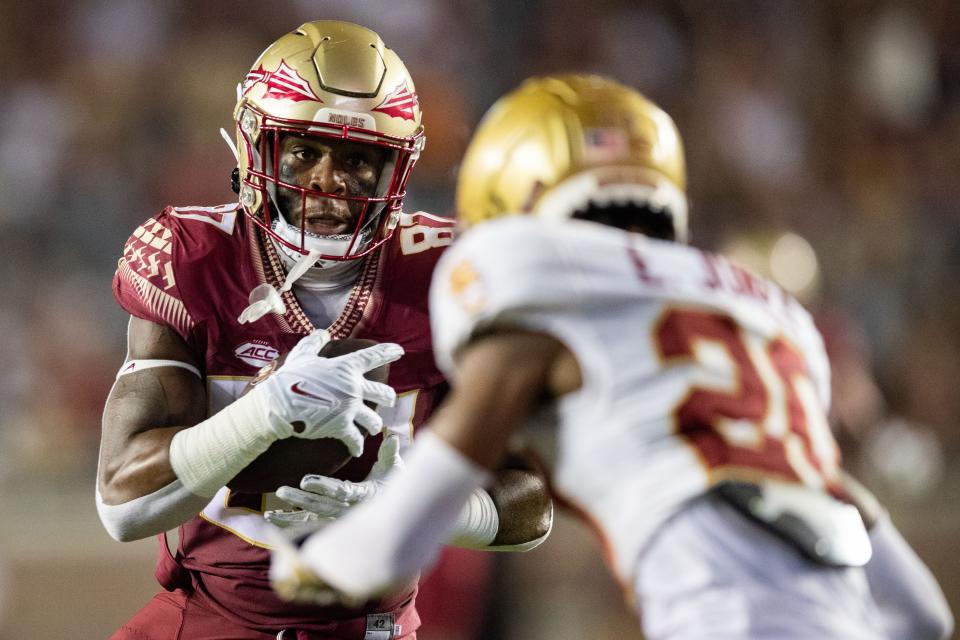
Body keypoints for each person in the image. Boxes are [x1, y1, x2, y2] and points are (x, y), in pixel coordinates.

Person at [273, 75, 955, 640]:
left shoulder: (534, 273)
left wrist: (331, 560)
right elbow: (923, 617)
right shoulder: (763, 312)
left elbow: (444, 474)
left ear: (518, 187)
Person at [97, 20, 551, 640]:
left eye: (357, 158)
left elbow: (532, 505)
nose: (326, 181)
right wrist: (261, 415)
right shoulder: (192, 258)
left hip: (369, 628)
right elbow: (122, 505)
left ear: (396, 167)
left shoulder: (452, 274)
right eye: (305, 150)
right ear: (259, 145)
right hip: (207, 618)